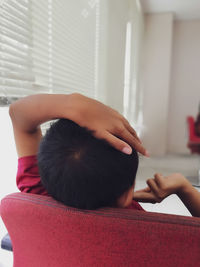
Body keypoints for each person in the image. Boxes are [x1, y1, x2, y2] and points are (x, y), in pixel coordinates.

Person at [9, 93, 200, 216]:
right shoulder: (147, 229)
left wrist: (71, 102)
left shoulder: (37, 191)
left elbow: (18, 114)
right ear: (127, 196)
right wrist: (185, 188)